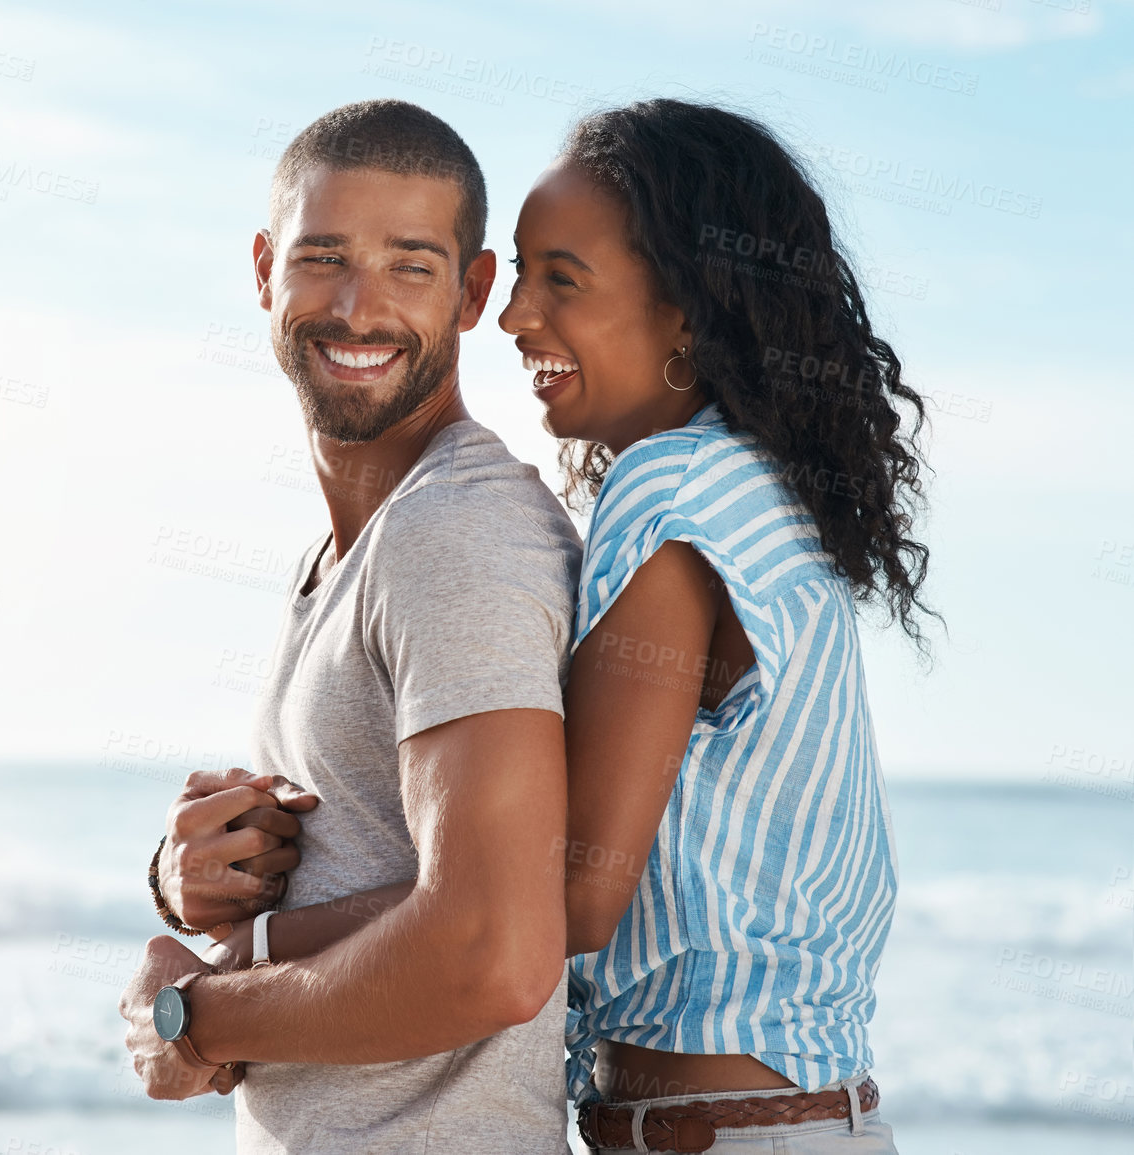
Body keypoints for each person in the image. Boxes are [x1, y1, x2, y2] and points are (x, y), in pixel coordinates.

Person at [163, 98, 931, 1153]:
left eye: (559, 280)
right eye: (521, 276)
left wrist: (228, 976)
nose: (519, 316)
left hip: (722, 1132)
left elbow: (546, 904)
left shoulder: (667, 498)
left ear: (688, 313)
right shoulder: (742, 494)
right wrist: (202, 881)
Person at [117, 98, 585, 1153]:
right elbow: (371, 857)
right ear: (262, 271)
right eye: (323, 258)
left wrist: (194, 1012)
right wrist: (193, 875)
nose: (359, 308)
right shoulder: (347, 555)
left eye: (410, 266)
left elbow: (493, 951)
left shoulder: (458, 532)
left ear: (472, 294)